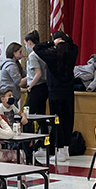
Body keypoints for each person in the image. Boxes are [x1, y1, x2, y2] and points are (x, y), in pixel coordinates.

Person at [34, 31, 79, 162]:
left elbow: (37, 48)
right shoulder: (71, 54)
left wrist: (51, 43)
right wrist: (66, 40)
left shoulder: (51, 55)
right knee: (68, 119)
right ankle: (66, 148)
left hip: (54, 92)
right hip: (68, 91)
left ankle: (59, 149)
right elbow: (75, 46)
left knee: (57, 121)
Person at [21, 31, 48, 125]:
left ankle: (28, 137)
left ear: (29, 42)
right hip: (44, 86)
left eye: (25, 44)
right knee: (41, 115)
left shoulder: (33, 55)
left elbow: (38, 73)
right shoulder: (42, 53)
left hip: (36, 87)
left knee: (27, 114)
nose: (26, 46)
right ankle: (44, 138)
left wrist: (30, 86)